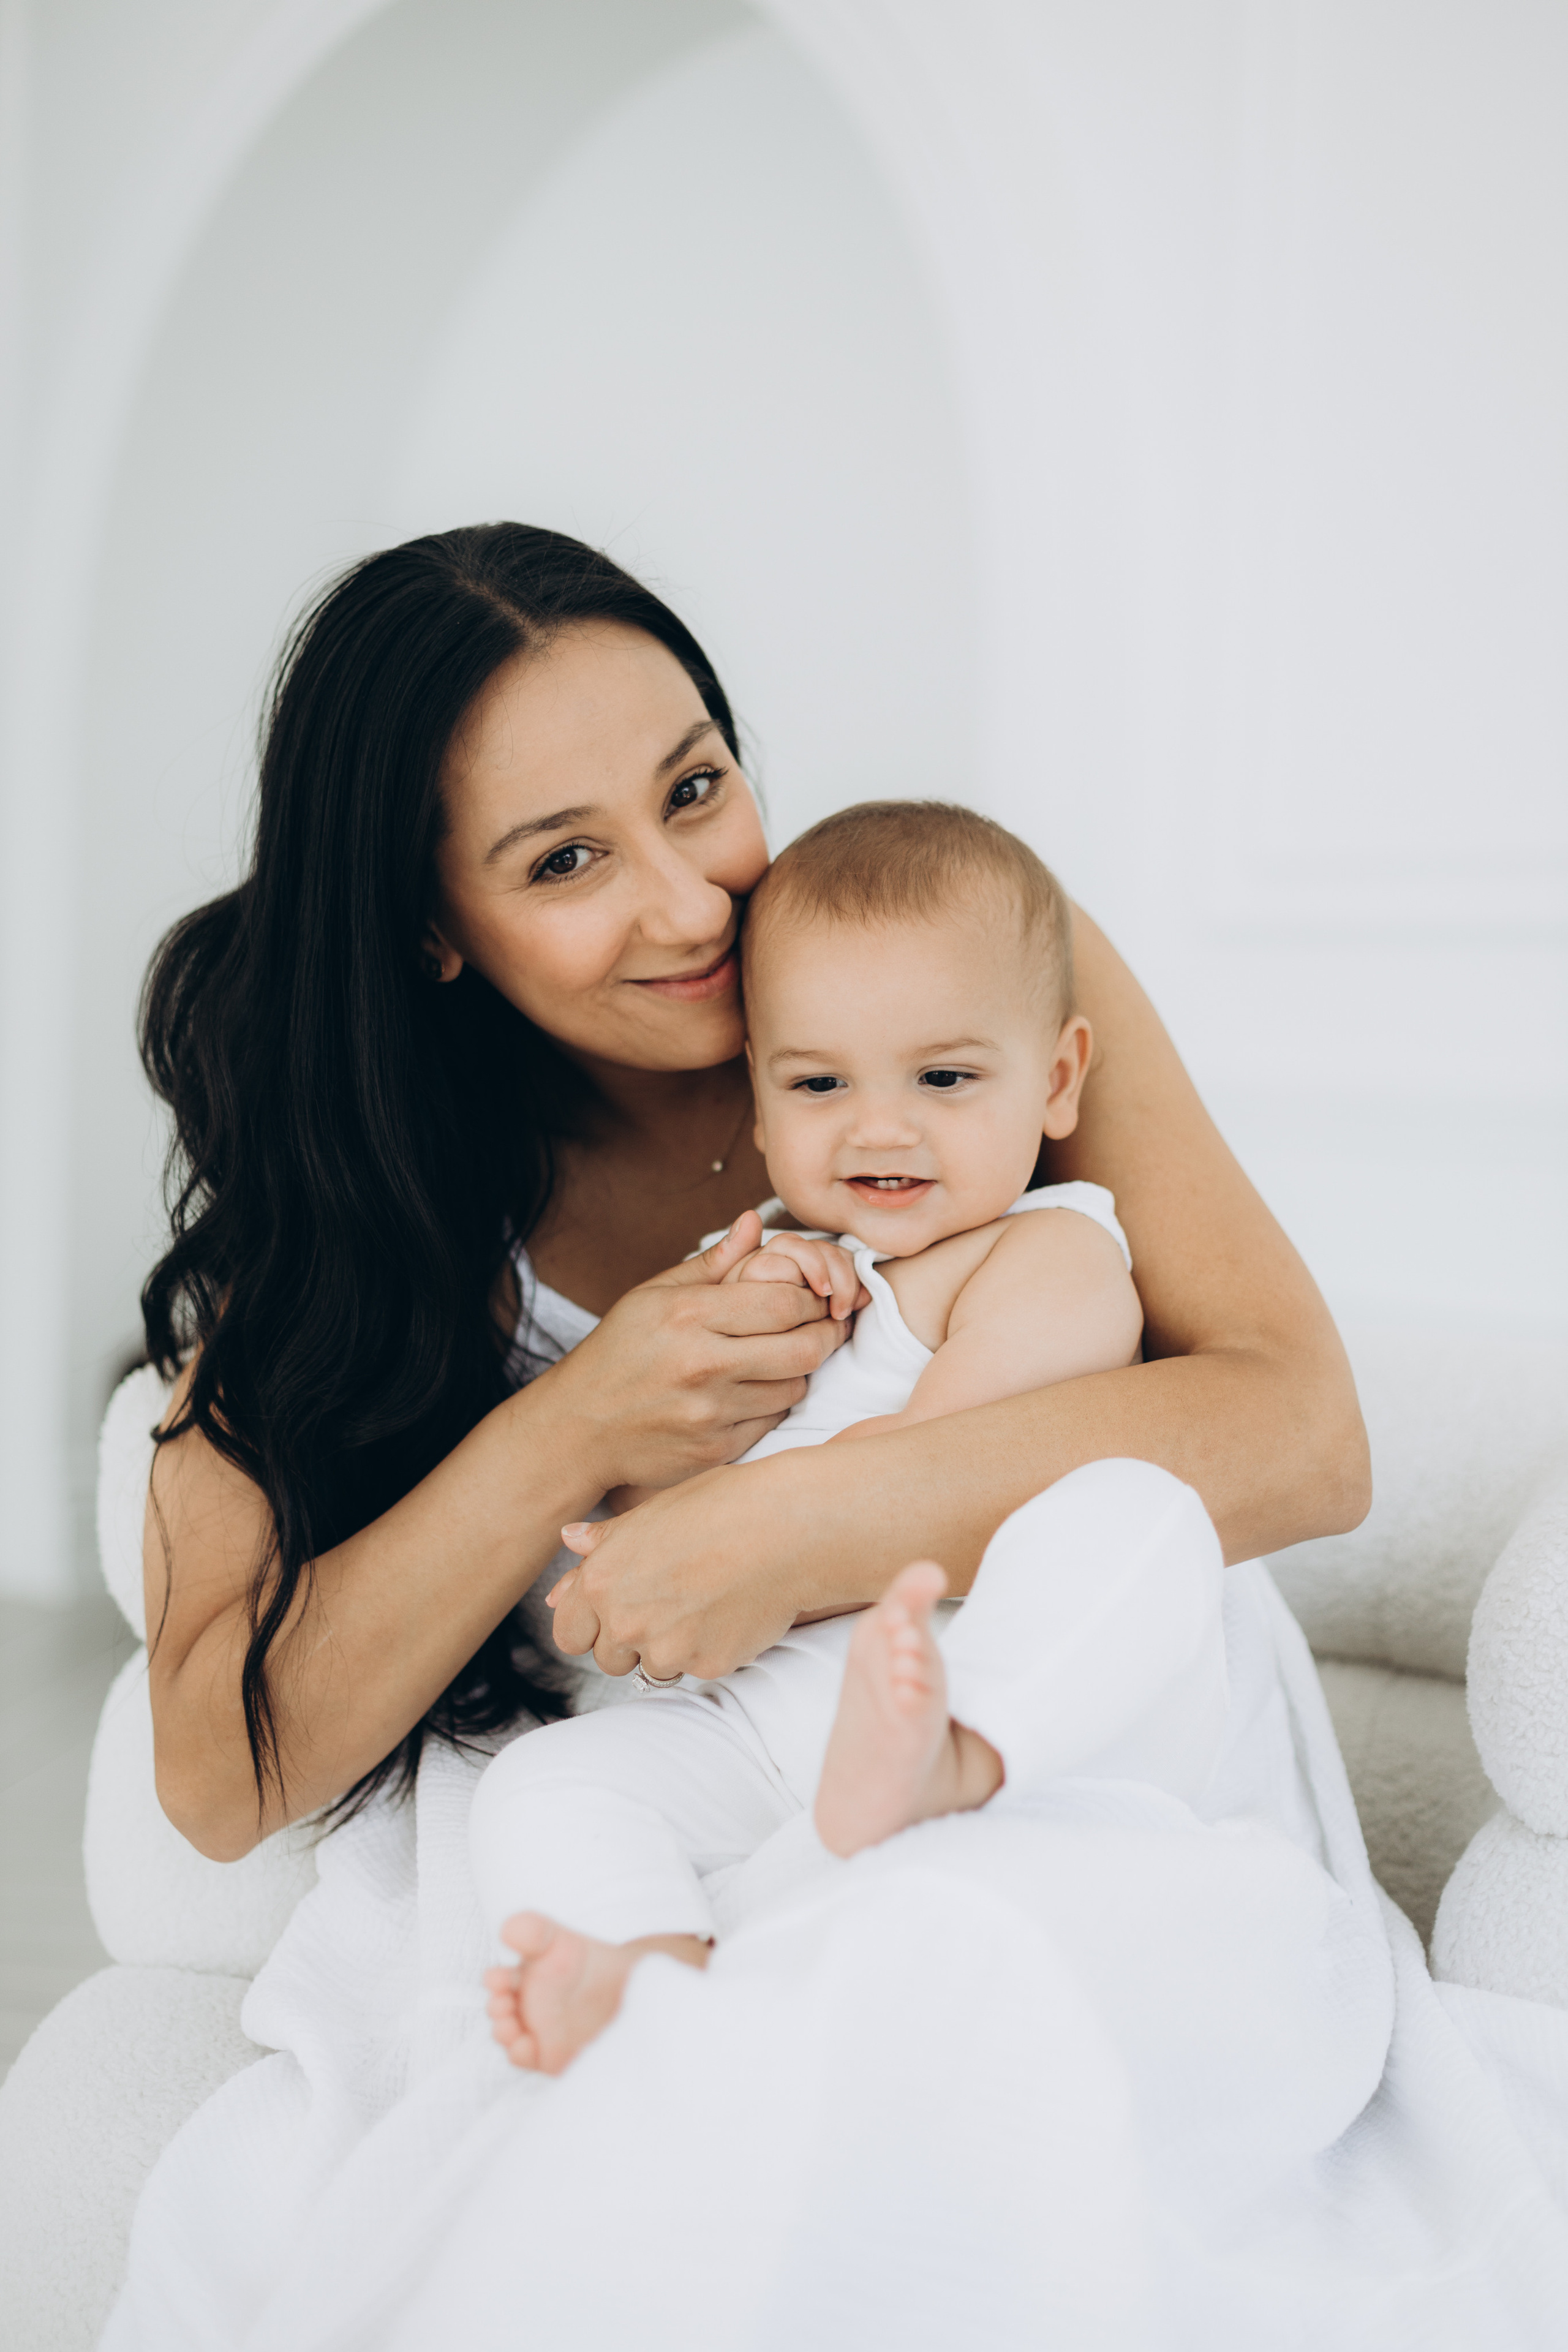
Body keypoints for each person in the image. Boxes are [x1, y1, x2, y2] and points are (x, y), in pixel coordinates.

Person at [139, 521, 1368, 1874]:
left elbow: (1305, 1437)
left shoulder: (957, 958)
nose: (691, 907)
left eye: (693, 790)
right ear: (427, 929)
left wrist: (790, 1526)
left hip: (1079, 1784)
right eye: (564, 861)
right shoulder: (366, 1201)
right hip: (711, 1832)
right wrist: (576, 1422)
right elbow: (214, 1782)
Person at [473, 801, 1231, 2075]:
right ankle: (653, 1979)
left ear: (1053, 1082)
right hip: (759, 1727)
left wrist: (800, 1437)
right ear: (757, 1112)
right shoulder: (767, 1265)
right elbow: (661, 1471)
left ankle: (948, 1762)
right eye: (819, 1084)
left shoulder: (1052, 1252)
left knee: (1138, 1511)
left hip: (959, 1680)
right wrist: (723, 1370)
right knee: (542, 1788)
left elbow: (933, 1478)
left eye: (943, 1078)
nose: (879, 1128)